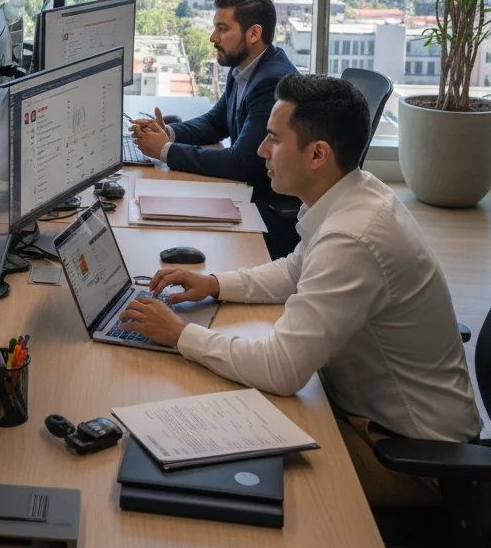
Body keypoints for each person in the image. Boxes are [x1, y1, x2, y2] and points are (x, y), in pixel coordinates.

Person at [119, 74, 480, 507]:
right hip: (366, 415)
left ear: (317, 154)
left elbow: (282, 370)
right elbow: (294, 271)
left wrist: (180, 335)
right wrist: (215, 284)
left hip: (408, 457)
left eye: (273, 139)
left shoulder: (352, 236)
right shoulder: (351, 192)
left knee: (230, 477)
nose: (259, 150)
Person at [129, 0, 300, 256]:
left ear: (253, 33)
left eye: (222, 29)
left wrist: (165, 151)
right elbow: (215, 122)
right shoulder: (244, 68)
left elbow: (243, 162)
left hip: (264, 208)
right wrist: (169, 133)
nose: (213, 38)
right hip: (243, 193)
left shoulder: (271, 82)